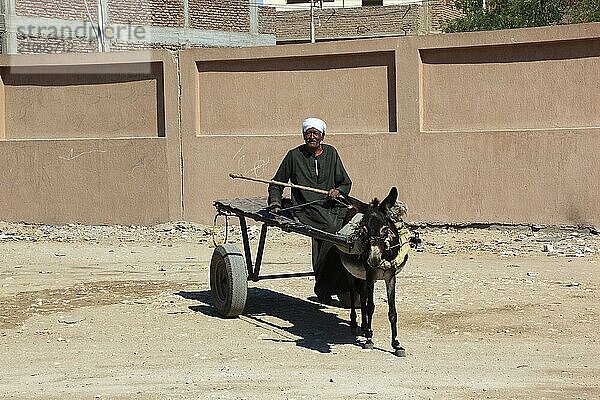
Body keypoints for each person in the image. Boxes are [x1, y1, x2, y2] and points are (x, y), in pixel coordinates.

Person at [268, 117, 352, 303]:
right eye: (308, 133)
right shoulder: (294, 156)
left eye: (315, 133)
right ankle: (326, 287)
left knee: (355, 226)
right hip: (306, 209)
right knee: (332, 232)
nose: (312, 137)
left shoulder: (331, 153)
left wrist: (338, 191)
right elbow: (276, 184)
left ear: (322, 136)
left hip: (332, 207)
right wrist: (275, 203)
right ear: (303, 135)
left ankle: (345, 285)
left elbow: (345, 182)